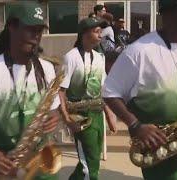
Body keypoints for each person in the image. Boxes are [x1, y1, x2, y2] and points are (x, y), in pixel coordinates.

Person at [102, 0, 177, 179]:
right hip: (160, 147)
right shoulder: (138, 52)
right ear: (168, 14)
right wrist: (135, 125)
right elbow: (110, 92)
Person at [0, 2, 60, 179]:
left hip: (42, 155)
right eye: (30, 29)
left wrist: (54, 118)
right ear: (12, 27)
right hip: (10, 163)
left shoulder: (46, 68)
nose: (36, 36)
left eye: (39, 30)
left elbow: (53, 109)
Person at [59, 18, 116, 180]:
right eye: (96, 31)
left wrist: (110, 114)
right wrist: (67, 119)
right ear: (84, 34)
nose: (100, 35)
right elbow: (61, 91)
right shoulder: (70, 57)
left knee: (91, 157)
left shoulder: (100, 57)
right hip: (80, 117)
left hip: (97, 115)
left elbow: (103, 89)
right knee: (91, 166)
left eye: (101, 31)